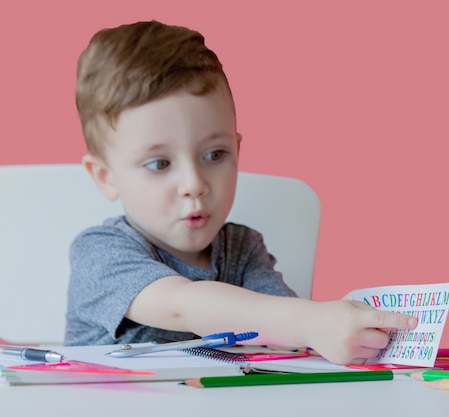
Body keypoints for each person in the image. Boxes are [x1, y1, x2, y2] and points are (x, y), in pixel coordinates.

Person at [65, 20, 417, 365]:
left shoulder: (243, 249)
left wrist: (340, 327)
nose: (194, 184)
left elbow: (284, 336)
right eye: (159, 164)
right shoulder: (100, 252)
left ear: (236, 150)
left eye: (214, 155)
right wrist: (311, 321)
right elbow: (183, 305)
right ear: (105, 176)